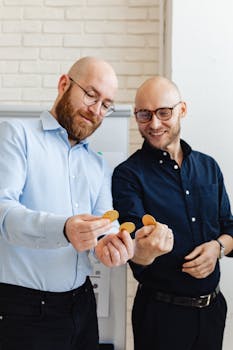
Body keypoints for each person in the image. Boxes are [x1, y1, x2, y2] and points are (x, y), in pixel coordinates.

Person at [0, 56, 134, 350]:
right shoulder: (16, 135)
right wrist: (63, 229)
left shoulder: (98, 165)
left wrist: (112, 246)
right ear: (64, 84)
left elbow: (104, 229)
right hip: (24, 310)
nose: (96, 110)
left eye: (106, 105)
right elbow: (3, 213)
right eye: (90, 94)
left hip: (82, 305)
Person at [112, 76, 233, 350]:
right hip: (160, 316)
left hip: (213, 311)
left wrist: (217, 248)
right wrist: (144, 250)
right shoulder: (127, 175)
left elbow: (230, 228)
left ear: (182, 110)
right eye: (144, 114)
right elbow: (133, 249)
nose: (154, 124)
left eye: (163, 112)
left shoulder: (209, 166)